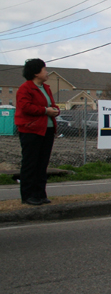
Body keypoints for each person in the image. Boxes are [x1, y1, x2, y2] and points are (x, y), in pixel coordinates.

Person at [15, 58, 60, 206]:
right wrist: (45, 110)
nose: (47, 72)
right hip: (31, 130)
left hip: (47, 130)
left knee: (42, 164)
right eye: (44, 69)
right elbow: (25, 107)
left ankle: (40, 194)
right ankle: (28, 195)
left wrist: (55, 110)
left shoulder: (45, 88)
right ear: (36, 72)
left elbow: (51, 105)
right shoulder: (25, 88)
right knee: (30, 163)